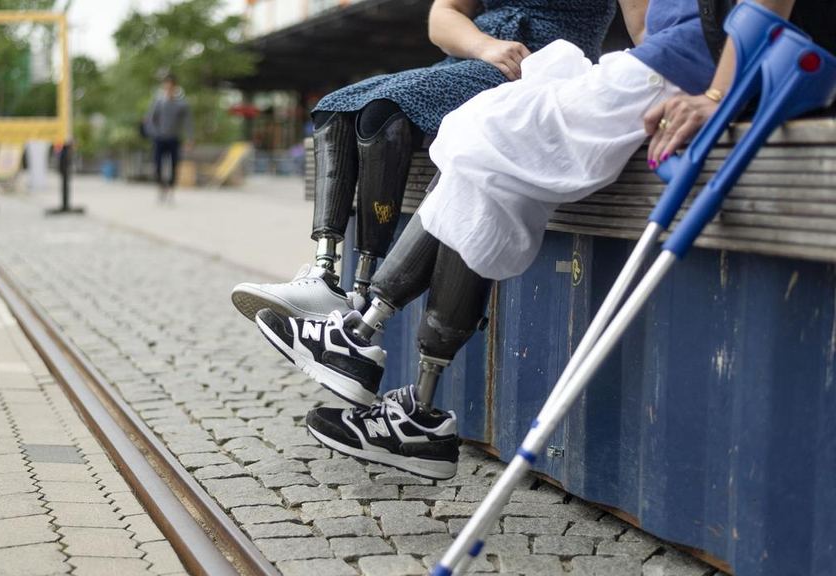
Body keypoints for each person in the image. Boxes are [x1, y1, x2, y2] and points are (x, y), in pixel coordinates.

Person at [253, 0, 799, 480]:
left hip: (682, 76)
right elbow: (643, 19)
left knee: (484, 133)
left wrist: (718, 93)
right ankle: (402, 393)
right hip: (654, 67)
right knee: (479, 134)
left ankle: (366, 344)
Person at [231, 0, 618, 322]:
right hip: (478, 57)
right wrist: (484, 45)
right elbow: (443, 16)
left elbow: (652, 33)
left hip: (541, 68)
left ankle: (358, 292)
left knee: (384, 111)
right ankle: (323, 273)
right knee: (335, 106)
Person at [144, 74, 192, 203]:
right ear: (164, 86)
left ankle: (171, 189)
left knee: (174, 166)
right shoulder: (158, 102)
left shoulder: (182, 103)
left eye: (171, 85)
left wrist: (189, 138)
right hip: (159, 139)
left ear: (175, 86)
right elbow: (150, 119)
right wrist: (154, 132)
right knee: (157, 165)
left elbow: (188, 122)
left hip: (174, 139)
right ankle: (161, 187)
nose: (169, 87)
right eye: (167, 84)